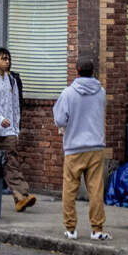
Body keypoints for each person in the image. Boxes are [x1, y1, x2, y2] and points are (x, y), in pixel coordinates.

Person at [52, 59, 110, 240]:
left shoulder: (68, 93)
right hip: (95, 146)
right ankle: (97, 229)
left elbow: (60, 120)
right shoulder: (101, 92)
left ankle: (71, 229)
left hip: (74, 147)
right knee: (96, 190)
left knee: (69, 189)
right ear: (93, 70)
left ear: (76, 71)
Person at [0, 47, 37, 212]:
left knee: (12, 163)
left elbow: (15, 105)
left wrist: (15, 127)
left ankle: (21, 197)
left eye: (8, 59)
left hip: (7, 131)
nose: (7, 61)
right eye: (4, 58)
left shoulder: (11, 80)